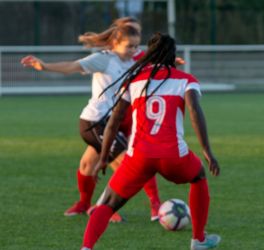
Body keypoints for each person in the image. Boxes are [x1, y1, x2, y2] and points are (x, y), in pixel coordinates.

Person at [81, 33, 221, 250]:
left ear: (148, 53)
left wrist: (104, 157)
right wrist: (207, 151)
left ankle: (86, 247)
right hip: (174, 156)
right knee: (199, 176)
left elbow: (113, 121)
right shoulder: (185, 80)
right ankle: (198, 240)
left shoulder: (134, 80)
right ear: (173, 56)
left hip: (139, 157)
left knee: (107, 203)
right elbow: (194, 111)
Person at [20, 20, 161, 222]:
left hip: (107, 125)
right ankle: (103, 207)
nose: (133, 50)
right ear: (115, 44)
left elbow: (150, 72)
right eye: (129, 46)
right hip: (94, 122)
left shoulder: (131, 63)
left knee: (87, 165)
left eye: (136, 46)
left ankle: (86, 204)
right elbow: (73, 66)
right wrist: (44, 66)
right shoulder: (103, 59)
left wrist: (169, 64)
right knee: (128, 168)